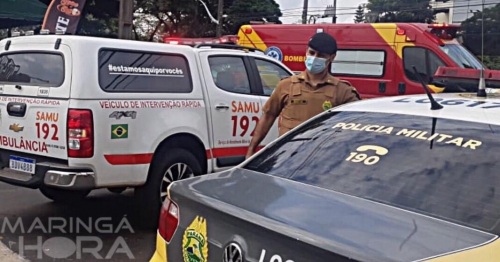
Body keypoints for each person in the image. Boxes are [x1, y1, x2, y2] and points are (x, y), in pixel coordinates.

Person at [245, 32, 361, 159]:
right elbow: (268, 116)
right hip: (285, 158)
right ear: (306, 51)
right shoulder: (286, 85)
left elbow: (357, 126)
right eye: (312, 53)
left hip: (319, 160)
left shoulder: (343, 91)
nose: (314, 58)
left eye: (321, 55)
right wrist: (251, 150)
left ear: (332, 58)